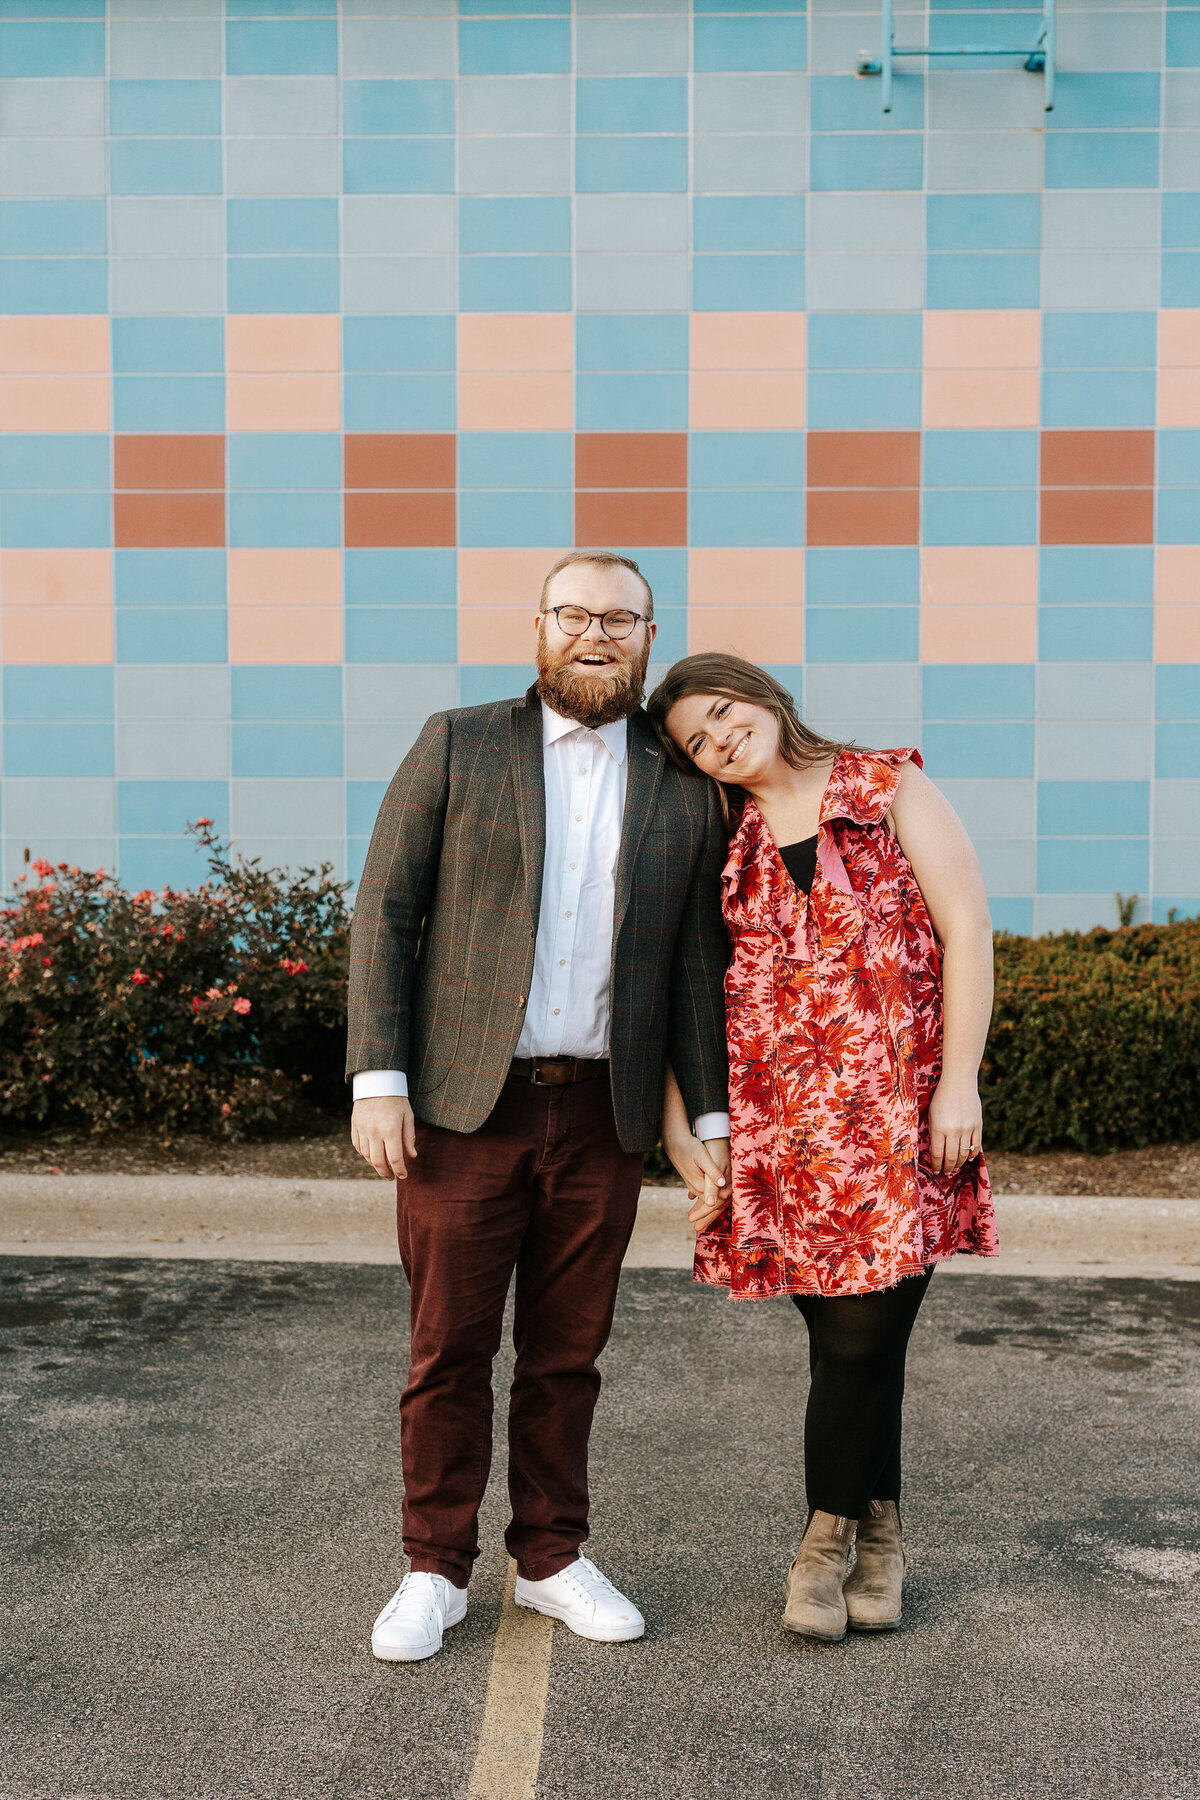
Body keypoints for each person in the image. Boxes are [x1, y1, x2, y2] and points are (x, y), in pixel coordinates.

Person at [347, 552, 731, 1662]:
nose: (596, 633)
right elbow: (387, 912)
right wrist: (381, 1079)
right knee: (449, 1351)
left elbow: (698, 958)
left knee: (569, 1356)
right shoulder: (461, 741)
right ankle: (433, 1568)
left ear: (650, 636)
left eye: (621, 616)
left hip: (602, 1117)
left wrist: (706, 1121)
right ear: (540, 627)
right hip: (466, 1109)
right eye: (576, 614)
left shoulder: (683, 772)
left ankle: (552, 1558)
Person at [647, 653, 999, 1644]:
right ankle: (882, 1535)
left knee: (864, 1336)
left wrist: (960, 1078)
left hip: (899, 1117)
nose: (720, 736)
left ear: (762, 697)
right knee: (844, 1341)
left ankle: (825, 1542)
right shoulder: (722, 837)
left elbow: (967, 927)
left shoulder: (887, 785)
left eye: (722, 710)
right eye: (696, 739)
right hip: (782, 1131)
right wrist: (683, 1124)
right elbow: (692, 985)